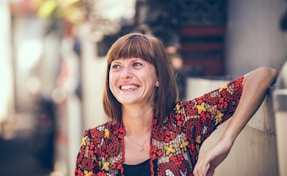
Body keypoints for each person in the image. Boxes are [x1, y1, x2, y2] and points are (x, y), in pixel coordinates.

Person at [74, 33, 278, 176]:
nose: (125, 74)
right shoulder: (95, 142)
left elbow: (263, 75)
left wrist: (227, 140)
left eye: (137, 64)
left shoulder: (184, 121)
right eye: (116, 66)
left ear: (158, 78)